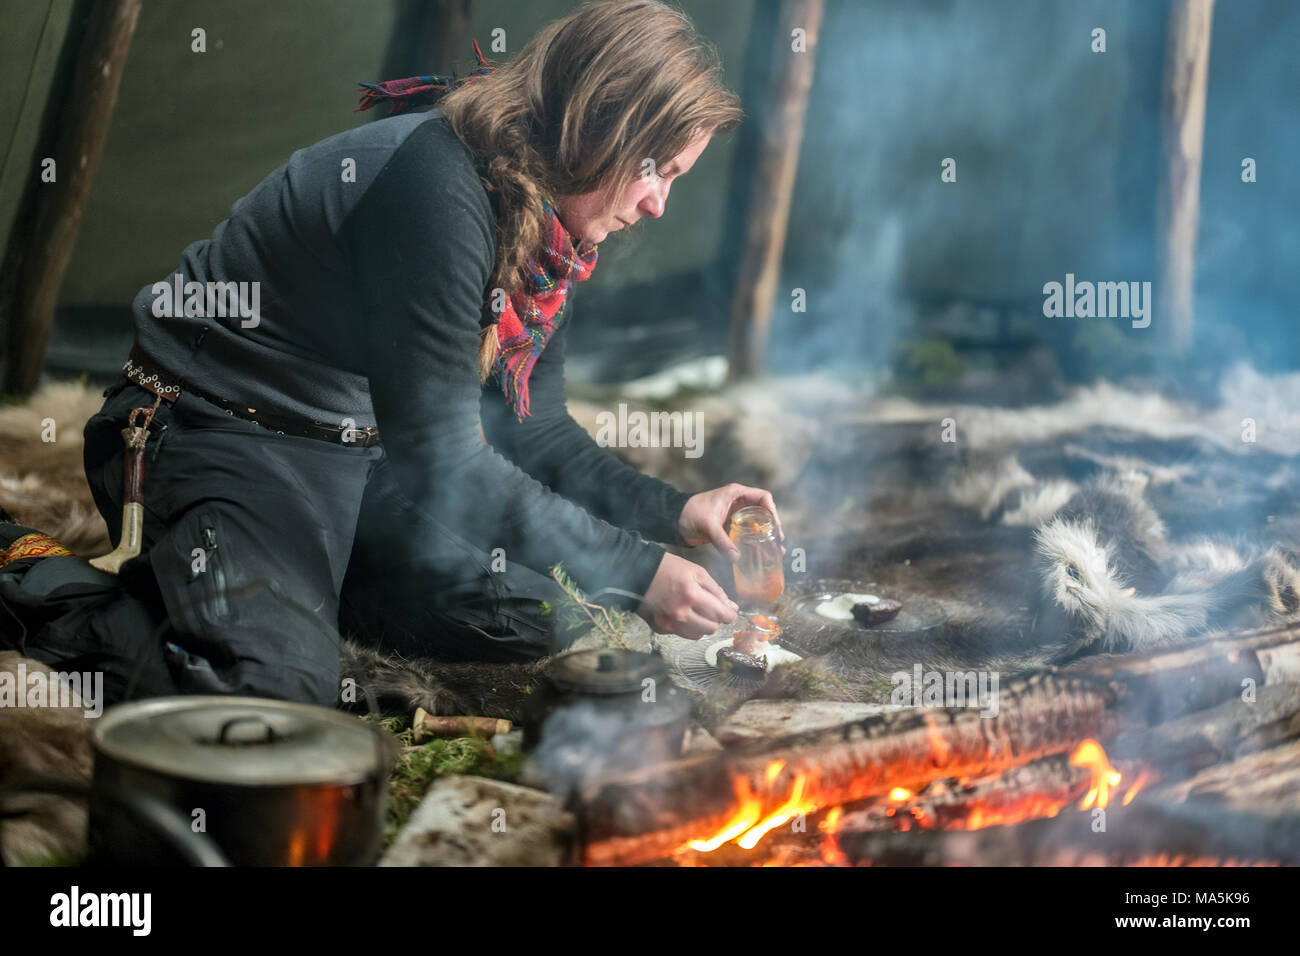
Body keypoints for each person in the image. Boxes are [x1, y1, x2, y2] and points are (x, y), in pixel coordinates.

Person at [0, 0, 783, 708]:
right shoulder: (436, 188)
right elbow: (446, 463)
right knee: (269, 695)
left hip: (353, 456)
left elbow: (534, 432)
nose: (657, 204)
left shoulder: (546, 231)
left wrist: (670, 515)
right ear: (598, 122)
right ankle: (26, 568)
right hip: (213, 433)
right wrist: (642, 571)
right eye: (659, 171)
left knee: (538, 613)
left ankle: (280, 587)